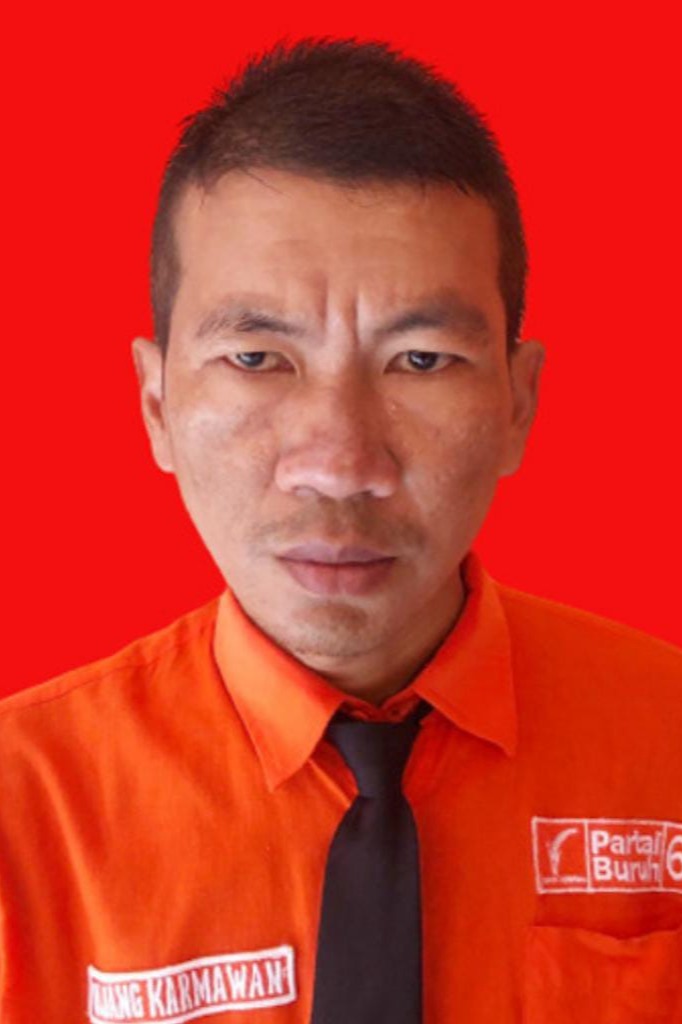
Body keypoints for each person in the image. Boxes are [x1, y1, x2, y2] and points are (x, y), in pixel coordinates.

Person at [1, 35, 681, 1024]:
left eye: (421, 360)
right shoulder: (23, 812)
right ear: (155, 405)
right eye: (256, 358)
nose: (339, 461)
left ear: (517, 404)